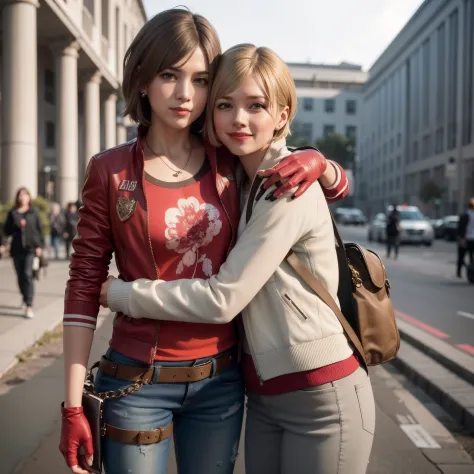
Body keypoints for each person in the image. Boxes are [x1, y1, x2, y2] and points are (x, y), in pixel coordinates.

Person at [59, 10, 349, 474]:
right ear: (142, 79)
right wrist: (72, 406)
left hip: (223, 382)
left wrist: (319, 161)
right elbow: (83, 287)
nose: (184, 94)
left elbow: (326, 189)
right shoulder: (110, 170)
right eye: (169, 75)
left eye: (199, 79)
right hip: (136, 384)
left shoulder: (230, 158)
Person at [3, 187, 44, 318]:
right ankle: (24, 295)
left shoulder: (34, 212)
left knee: (27, 274)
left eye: (25, 195)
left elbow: (39, 230)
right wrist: (16, 227)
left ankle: (29, 304)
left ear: (29, 197)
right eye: (20, 195)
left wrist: (39, 246)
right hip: (16, 249)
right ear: (17, 198)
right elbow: (6, 230)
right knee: (20, 276)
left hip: (31, 248)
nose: (22, 197)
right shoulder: (13, 212)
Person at [457, 197, 474, 277]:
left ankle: (459, 272)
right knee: (471, 256)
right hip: (470, 239)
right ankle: (470, 271)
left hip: (466, 239)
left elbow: (461, 228)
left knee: (461, 256)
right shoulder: (466, 216)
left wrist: (462, 238)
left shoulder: (465, 216)